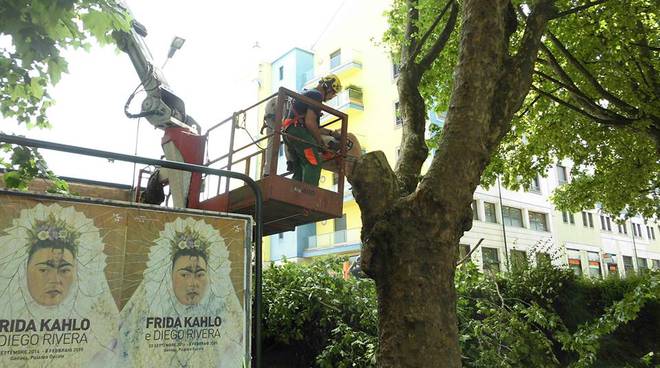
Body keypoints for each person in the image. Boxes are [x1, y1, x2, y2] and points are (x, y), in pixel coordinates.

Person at [0, 203, 120, 368]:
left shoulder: (97, 331)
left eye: (64, 270)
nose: (55, 280)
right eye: (43, 270)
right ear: (23, 271)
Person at [117, 217, 244, 367]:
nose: (193, 283)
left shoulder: (220, 324)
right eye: (184, 274)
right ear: (168, 276)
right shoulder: (147, 324)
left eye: (200, 274)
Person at [282, 74, 342, 185]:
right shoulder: (317, 96)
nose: (331, 97)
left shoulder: (308, 93)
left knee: (299, 166)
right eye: (333, 93)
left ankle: (294, 195)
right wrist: (321, 143)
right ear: (328, 88)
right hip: (298, 132)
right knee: (313, 162)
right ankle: (309, 196)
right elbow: (310, 123)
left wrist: (331, 133)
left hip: (289, 132)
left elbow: (313, 125)